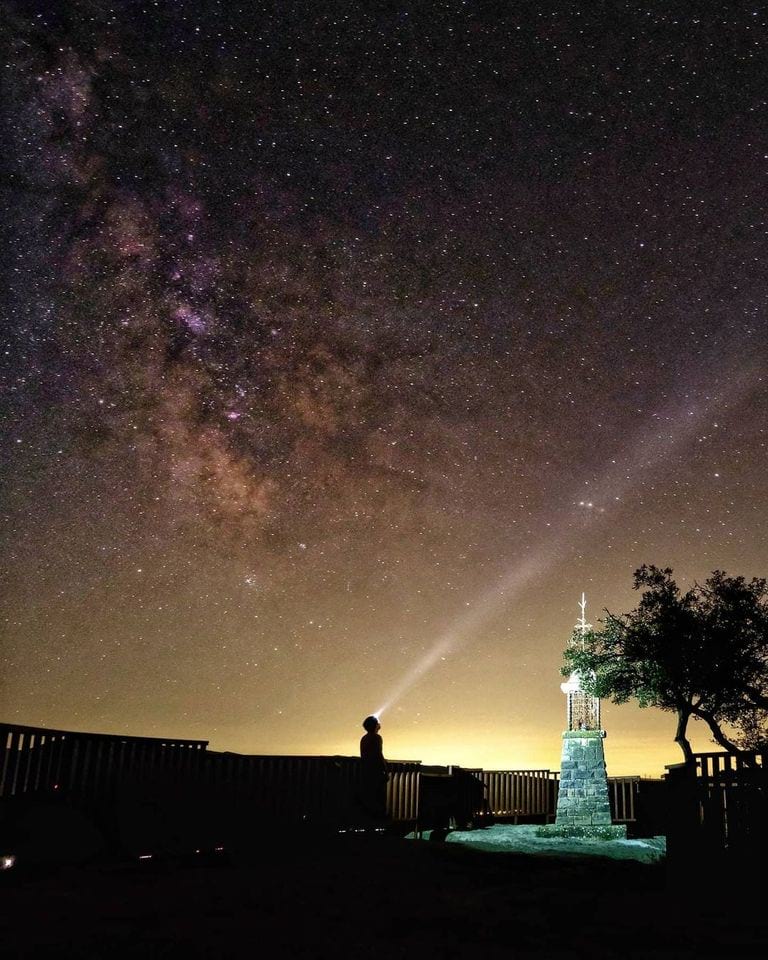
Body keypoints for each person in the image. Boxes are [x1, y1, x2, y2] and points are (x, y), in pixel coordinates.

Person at [359, 715, 389, 822]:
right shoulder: (377, 738)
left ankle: (370, 822)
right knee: (379, 798)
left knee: (370, 799)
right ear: (375, 725)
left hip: (366, 772)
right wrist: (385, 770)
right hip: (376, 772)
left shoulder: (364, 738)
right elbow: (378, 754)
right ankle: (379, 821)